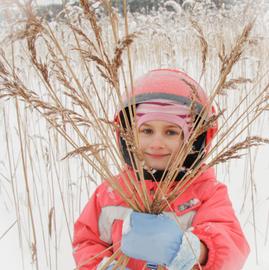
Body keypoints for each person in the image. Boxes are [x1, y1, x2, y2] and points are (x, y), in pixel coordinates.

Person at [72, 69, 250, 270]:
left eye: (171, 132)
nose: (156, 143)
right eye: (147, 130)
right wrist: (101, 266)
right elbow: (87, 241)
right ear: (129, 136)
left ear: (192, 141)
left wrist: (191, 251)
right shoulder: (111, 193)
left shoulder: (206, 193)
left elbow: (231, 248)